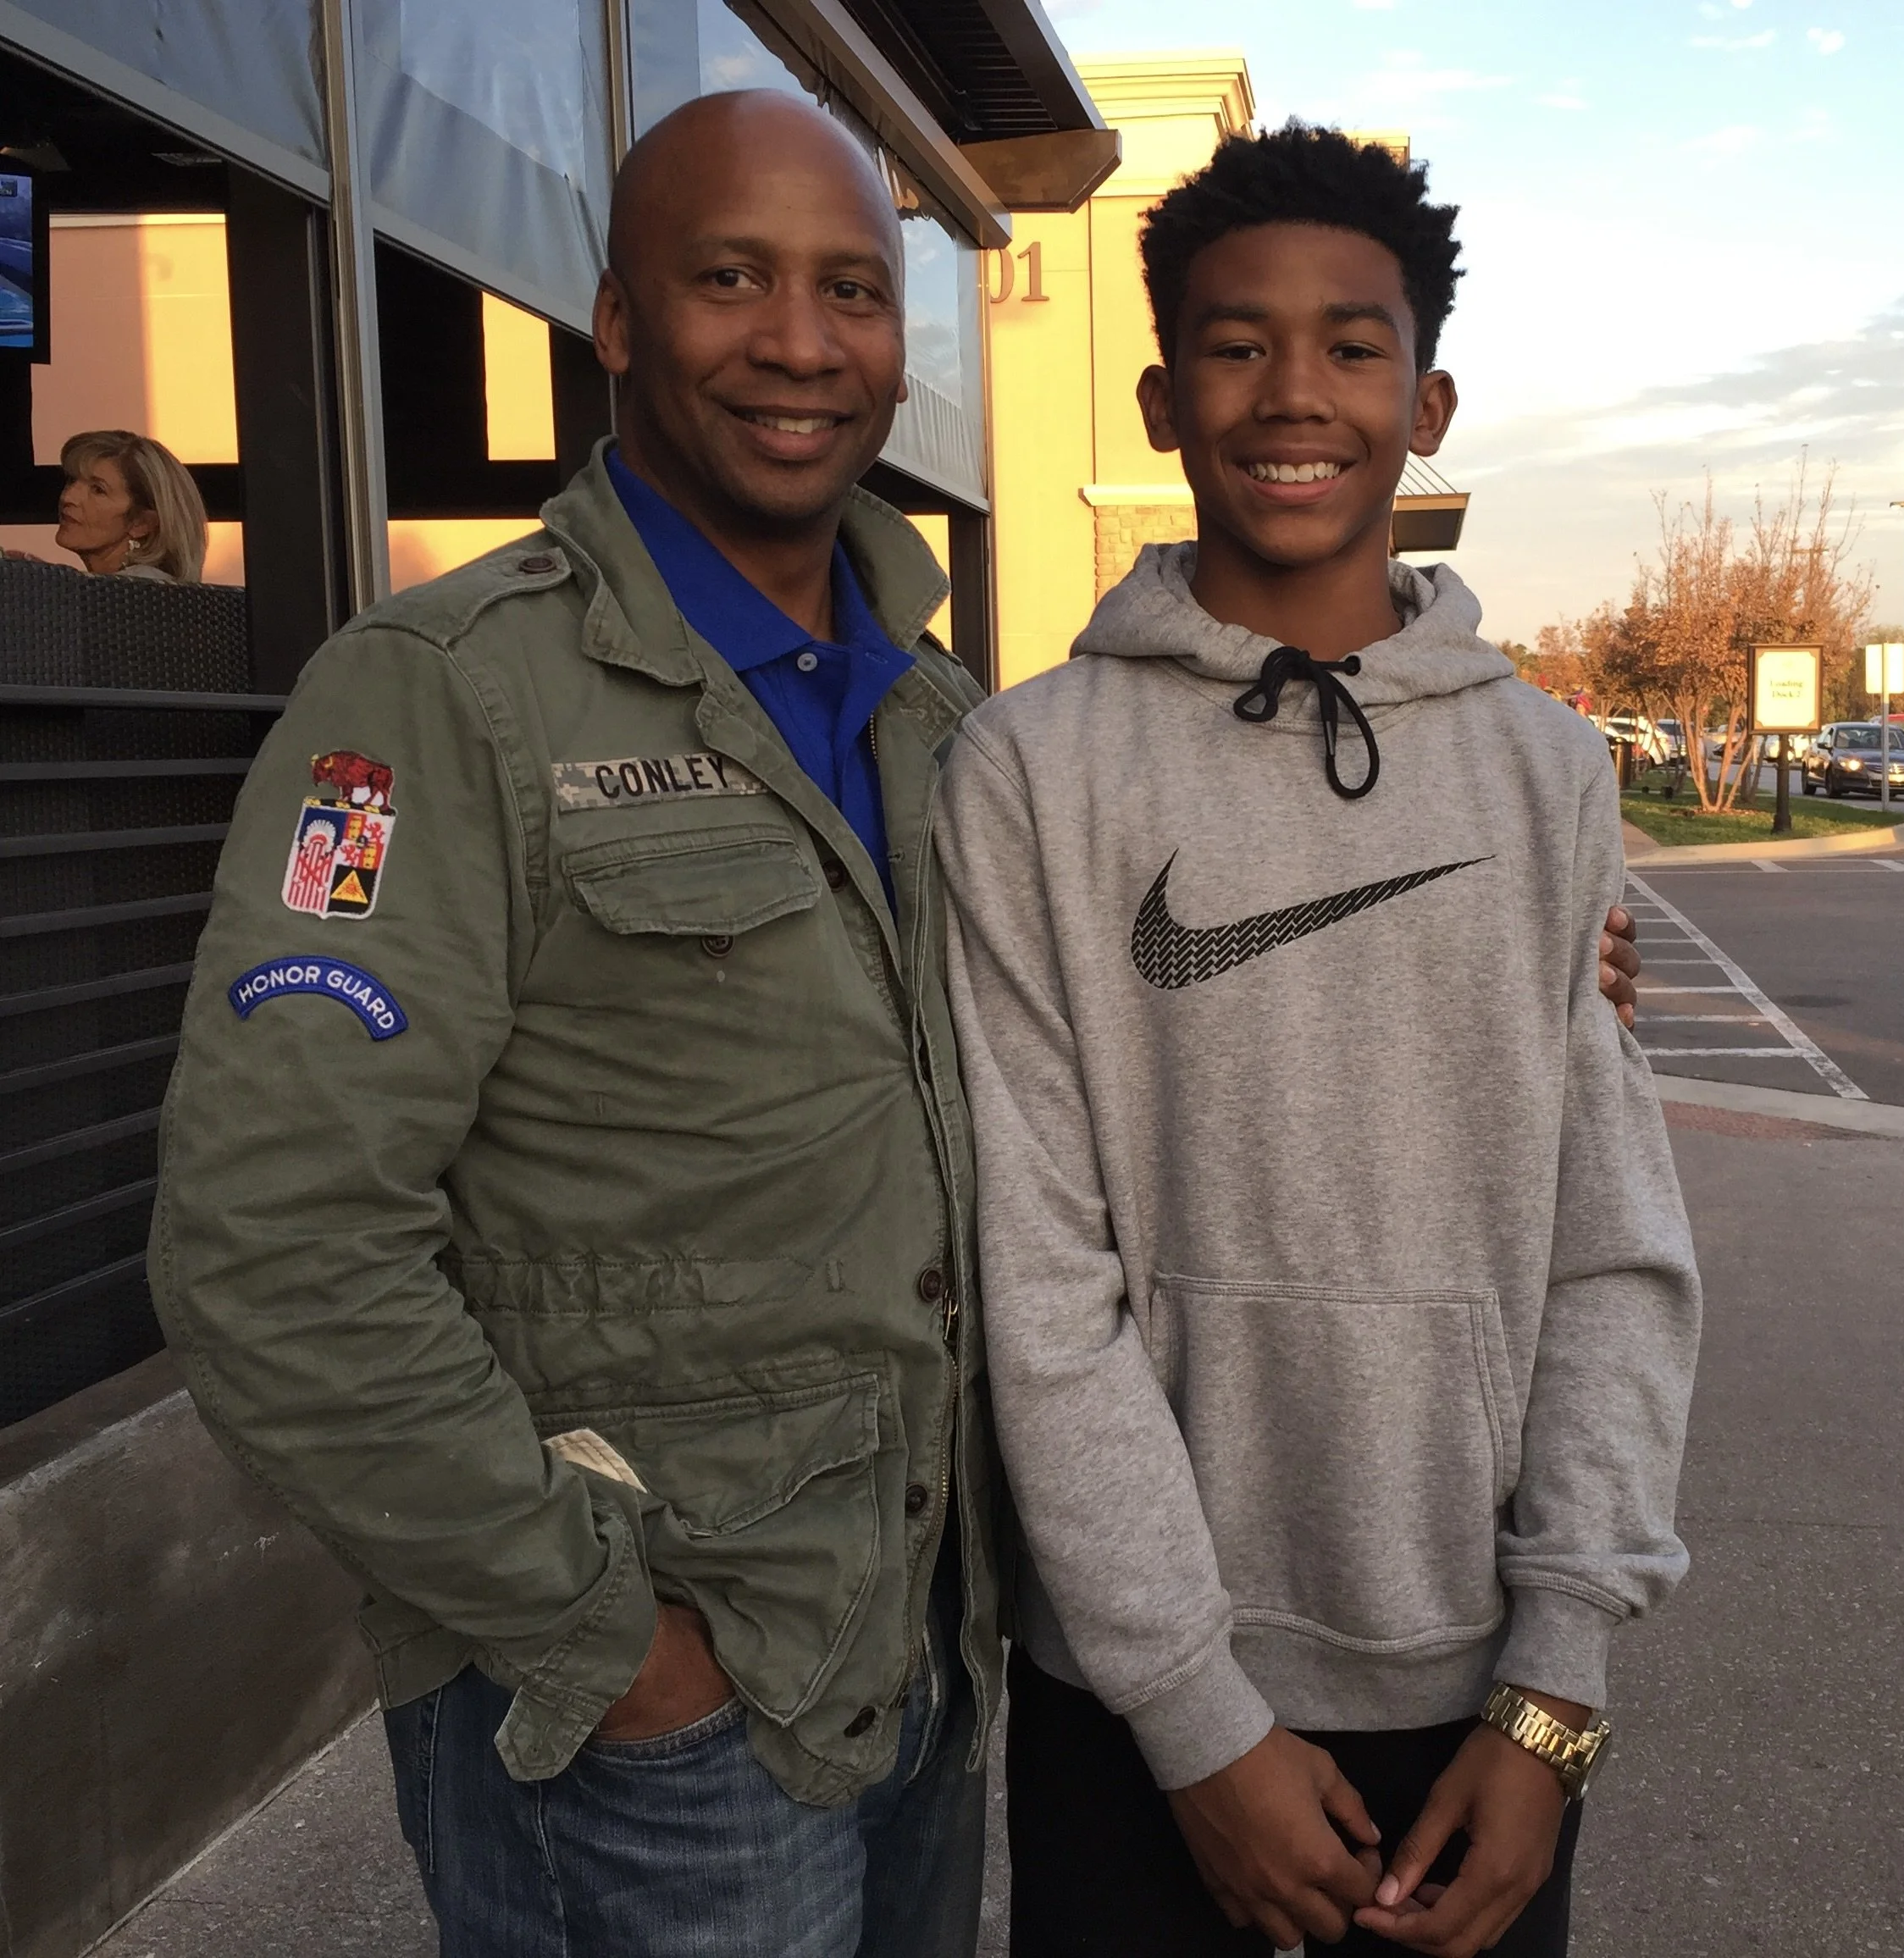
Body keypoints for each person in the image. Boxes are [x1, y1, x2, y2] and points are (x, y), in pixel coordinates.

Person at [150, 94, 1641, 1958]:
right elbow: (273, 1246)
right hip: (658, 1712)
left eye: (849, 290)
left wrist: (1517, 958)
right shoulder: (445, 697)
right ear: (616, 320)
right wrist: (616, 1643)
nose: (798, 340)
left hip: (918, 1672)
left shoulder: (938, 720)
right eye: (730, 279)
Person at [934, 125, 1700, 1958]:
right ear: (1161, 398)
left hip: (1483, 1694)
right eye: (1235, 343)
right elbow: (1040, 1278)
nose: (1293, 392)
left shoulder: (1546, 770)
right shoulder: (1029, 768)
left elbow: (1610, 1247)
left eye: (1351, 346)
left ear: (1424, 405)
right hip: (1139, 1703)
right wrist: (1192, 1715)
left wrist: (1557, 1685)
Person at [3, 429, 208, 580]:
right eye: (72, 480)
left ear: (141, 523)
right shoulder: (105, 590)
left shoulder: (142, 590)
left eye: (98, 490)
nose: (68, 497)